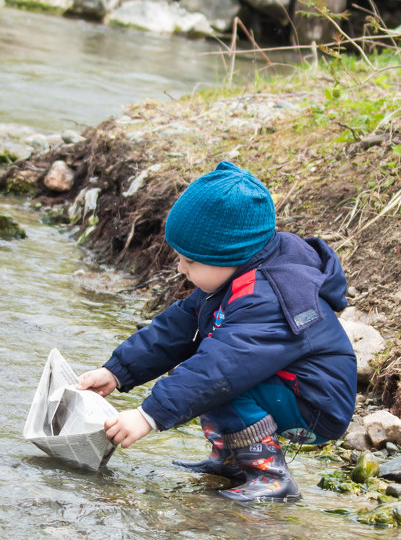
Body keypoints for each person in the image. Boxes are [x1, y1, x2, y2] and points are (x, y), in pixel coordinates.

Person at [77, 161, 356, 502]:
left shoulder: (272, 297)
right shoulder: (238, 274)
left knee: (214, 379)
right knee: (198, 367)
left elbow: (222, 368)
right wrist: (116, 371)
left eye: (190, 262)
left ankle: (269, 475)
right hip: (283, 384)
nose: (180, 268)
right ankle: (232, 461)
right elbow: (175, 328)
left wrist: (148, 415)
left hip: (315, 404)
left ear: (230, 255)